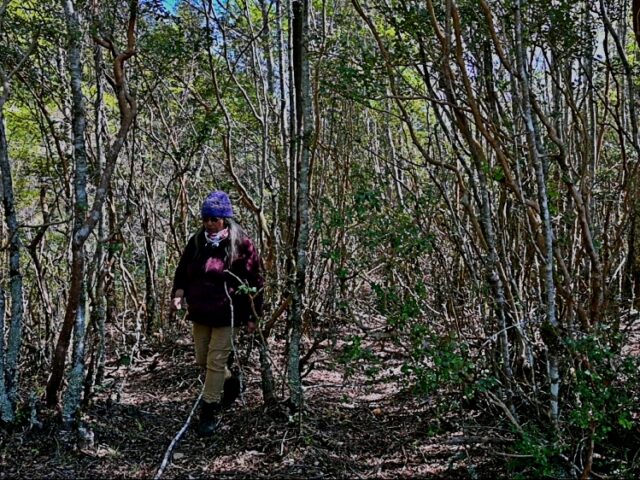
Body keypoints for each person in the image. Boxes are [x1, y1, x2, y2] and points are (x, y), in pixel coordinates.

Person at [171, 190, 263, 436]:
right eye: (206, 219)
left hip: (228, 313)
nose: (210, 224)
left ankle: (209, 409)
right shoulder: (198, 241)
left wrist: (254, 315)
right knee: (203, 359)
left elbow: (255, 278)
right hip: (200, 311)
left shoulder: (241, 243)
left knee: (215, 361)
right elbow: (182, 270)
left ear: (225, 219)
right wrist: (179, 293)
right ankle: (231, 381)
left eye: (215, 219)